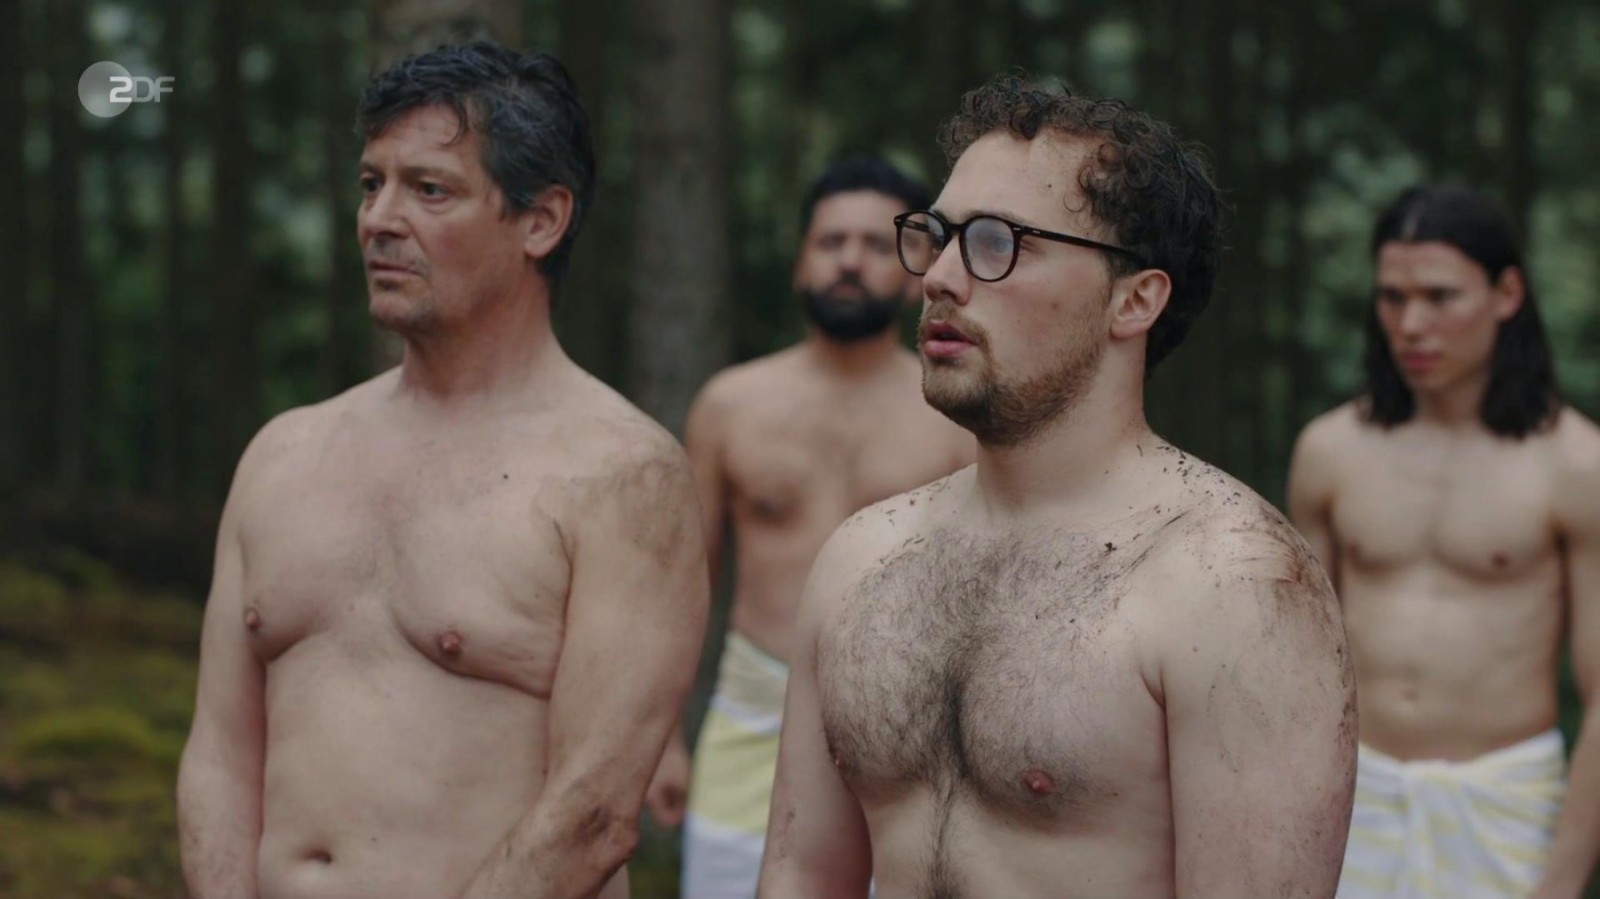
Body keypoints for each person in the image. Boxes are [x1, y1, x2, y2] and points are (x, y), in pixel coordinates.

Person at [756, 76, 1358, 899]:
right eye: (938, 236)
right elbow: (799, 874)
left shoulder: (1234, 584)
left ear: (1134, 300)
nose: (939, 276)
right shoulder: (860, 557)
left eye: (996, 242)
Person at [175, 41, 708, 899]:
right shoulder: (282, 454)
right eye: (370, 183)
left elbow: (594, 812)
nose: (379, 219)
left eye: (429, 189)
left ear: (542, 221)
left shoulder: (624, 476)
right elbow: (218, 758)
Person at [640, 155, 975, 898]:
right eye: (831, 242)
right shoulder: (730, 405)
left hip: (907, 731)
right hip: (748, 718)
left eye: (877, 244)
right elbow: (682, 584)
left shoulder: (954, 415)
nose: (850, 260)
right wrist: (662, 738)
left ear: (920, 270)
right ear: (800, 261)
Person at [1289, 184, 1600, 899]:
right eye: (1392, 298)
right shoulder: (1331, 451)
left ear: (1507, 293)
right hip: (1354, 798)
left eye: (1440, 296)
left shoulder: (1575, 464)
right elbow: (1297, 673)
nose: (1411, 324)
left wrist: (1562, 881)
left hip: (1506, 802)